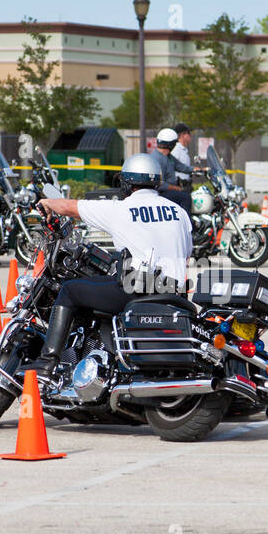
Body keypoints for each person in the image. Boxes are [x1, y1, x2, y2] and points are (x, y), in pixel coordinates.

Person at [30, 153, 193, 378]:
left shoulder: (120, 210)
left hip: (137, 290)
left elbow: (70, 206)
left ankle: (47, 362)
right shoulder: (179, 212)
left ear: (126, 183)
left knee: (70, 290)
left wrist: (46, 202)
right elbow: (186, 253)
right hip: (174, 292)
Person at [150, 127, 193, 214]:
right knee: (186, 197)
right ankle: (186, 225)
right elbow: (159, 183)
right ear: (171, 145)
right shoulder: (157, 158)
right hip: (160, 192)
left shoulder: (168, 156)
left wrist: (197, 170)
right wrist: (177, 188)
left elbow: (180, 166)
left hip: (167, 191)